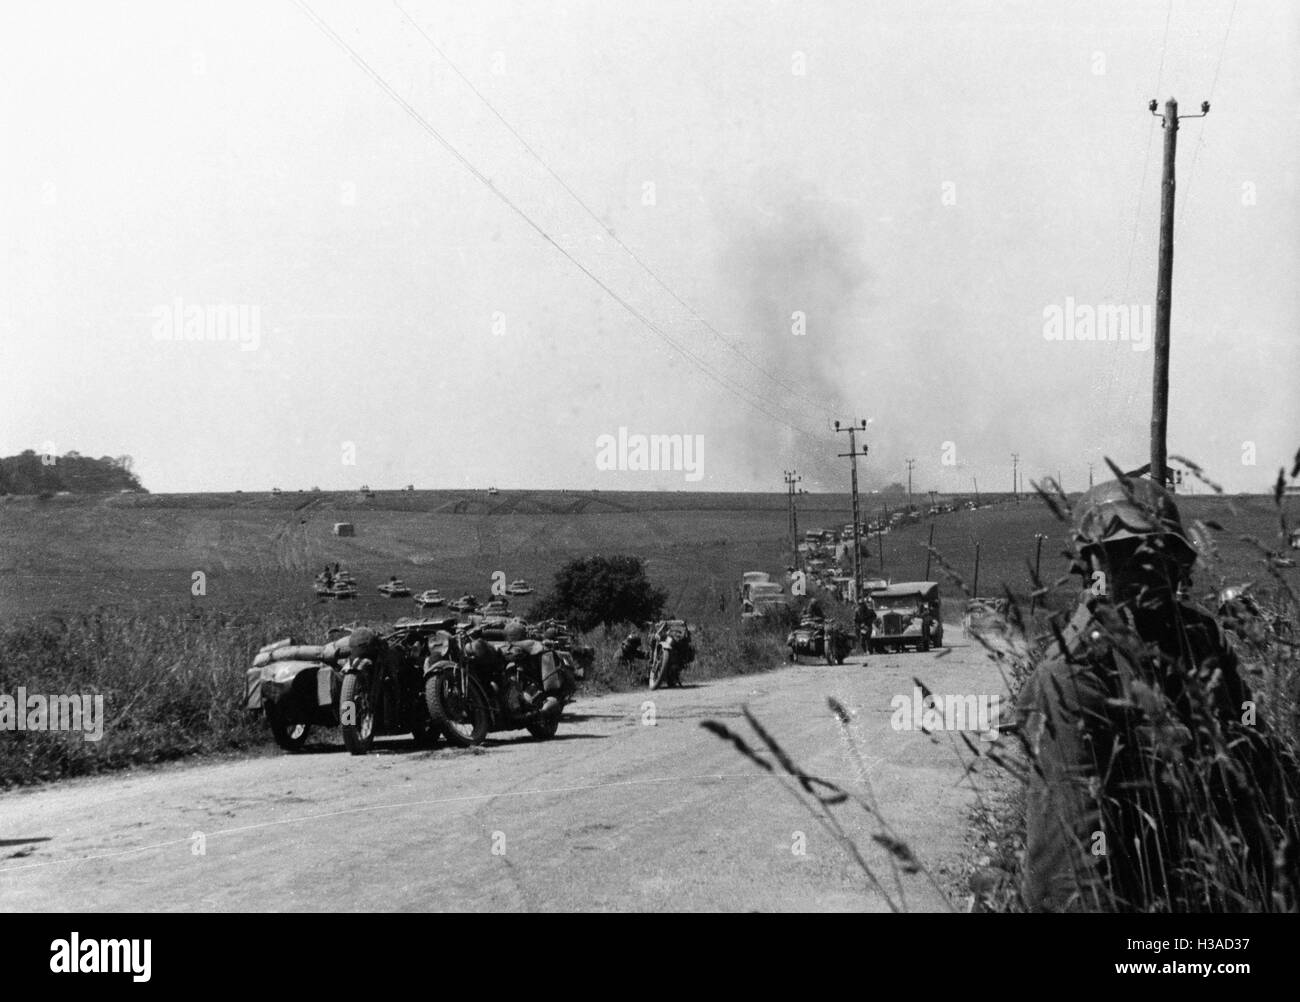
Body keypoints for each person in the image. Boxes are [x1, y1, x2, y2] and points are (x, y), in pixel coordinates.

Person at [1017, 477, 1295, 912]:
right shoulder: (1073, 674)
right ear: (1094, 567)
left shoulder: (1199, 638)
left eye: (1159, 554)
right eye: (1125, 557)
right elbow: (1076, 849)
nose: (1147, 570)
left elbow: (1253, 736)